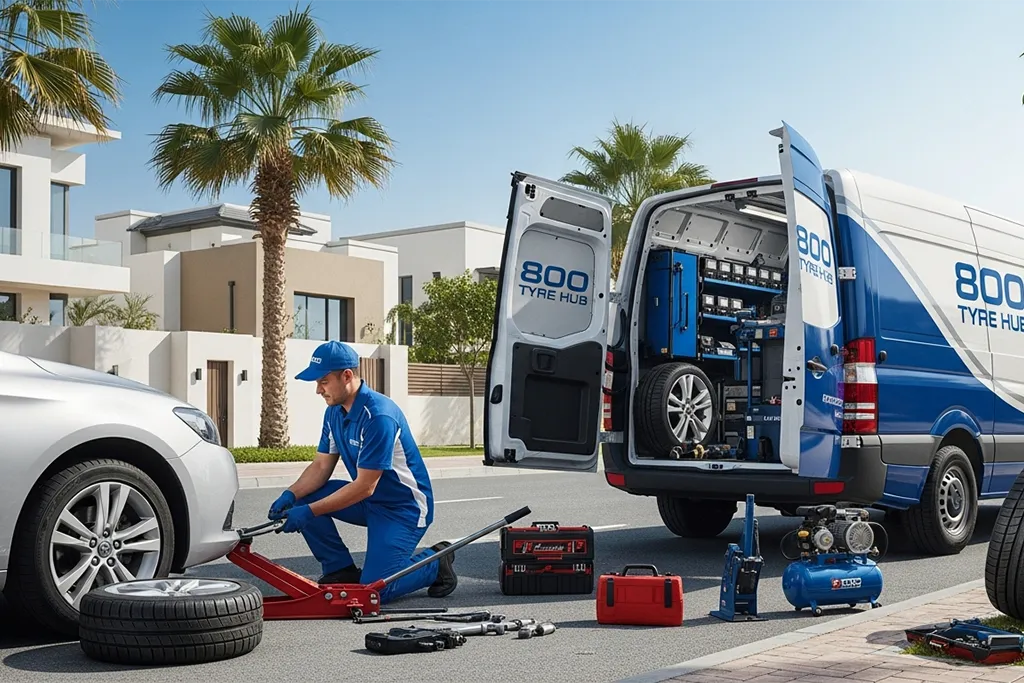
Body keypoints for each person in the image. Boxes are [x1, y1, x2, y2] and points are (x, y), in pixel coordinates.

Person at [267, 340, 457, 602]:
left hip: (403, 509)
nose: (318, 390)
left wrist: (309, 512)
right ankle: (339, 570)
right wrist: (290, 495)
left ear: (346, 376)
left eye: (323, 381)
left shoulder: (378, 416)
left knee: (376, 590)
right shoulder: (334, 412)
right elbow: (322, 466)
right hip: (369, 501)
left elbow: (365, 485)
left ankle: (436, 563)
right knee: (303, 497)